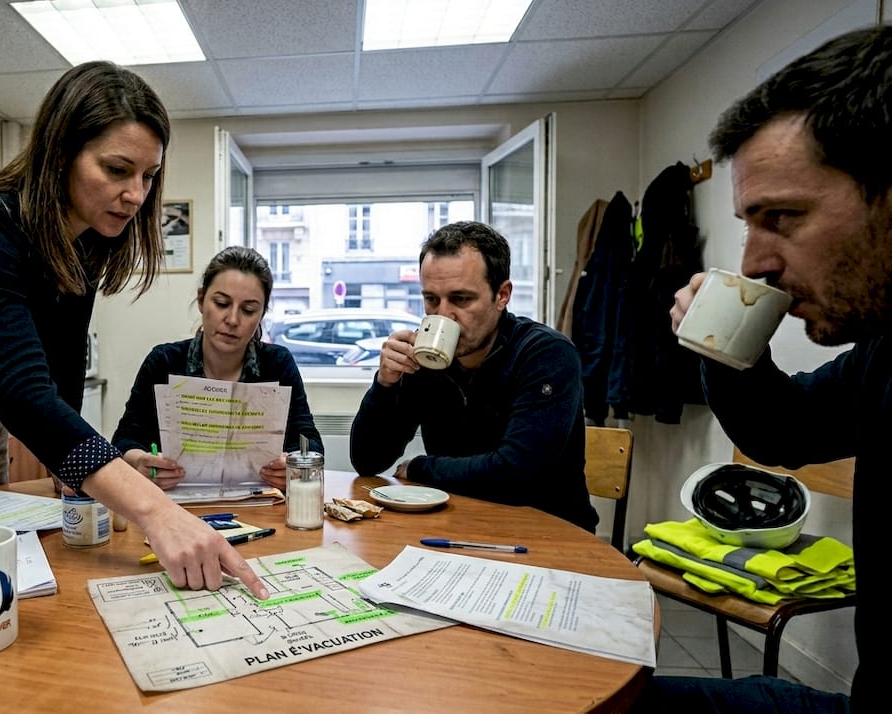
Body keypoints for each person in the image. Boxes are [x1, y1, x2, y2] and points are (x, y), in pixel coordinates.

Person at [0, 61, 268, 598]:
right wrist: (158, 513)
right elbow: (23, 391)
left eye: (148, 176)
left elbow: (62, 365)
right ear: (60, 154)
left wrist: (72, 465)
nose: (136, 194)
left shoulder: (86, 242)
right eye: (117, 170)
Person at [638, 26, 892, 714]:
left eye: (782, 217)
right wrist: (725, 345)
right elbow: (784, 431)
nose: (753, 262)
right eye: (749, 223)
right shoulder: (884, 354)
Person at [349, 221, 598, 532]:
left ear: (502, 295)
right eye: (431, 299)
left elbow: (517, 472)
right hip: (455, 524)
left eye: (461, 299)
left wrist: (422, 467)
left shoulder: (546, 354)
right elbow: (368, 460)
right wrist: (385, 384)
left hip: (549, 532)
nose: (443, 315)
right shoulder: (426, 358)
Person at [111, 246, 323, 491]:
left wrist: (294, 465)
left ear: (262, 314)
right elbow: (124, 441)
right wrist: (139, 462)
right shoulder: (164, 362)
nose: (232, 320)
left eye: (248, 310)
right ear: (201, 300)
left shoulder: (277, 363)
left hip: (260, 503)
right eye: (222, 303)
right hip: (174, 504)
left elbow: (310, 443)